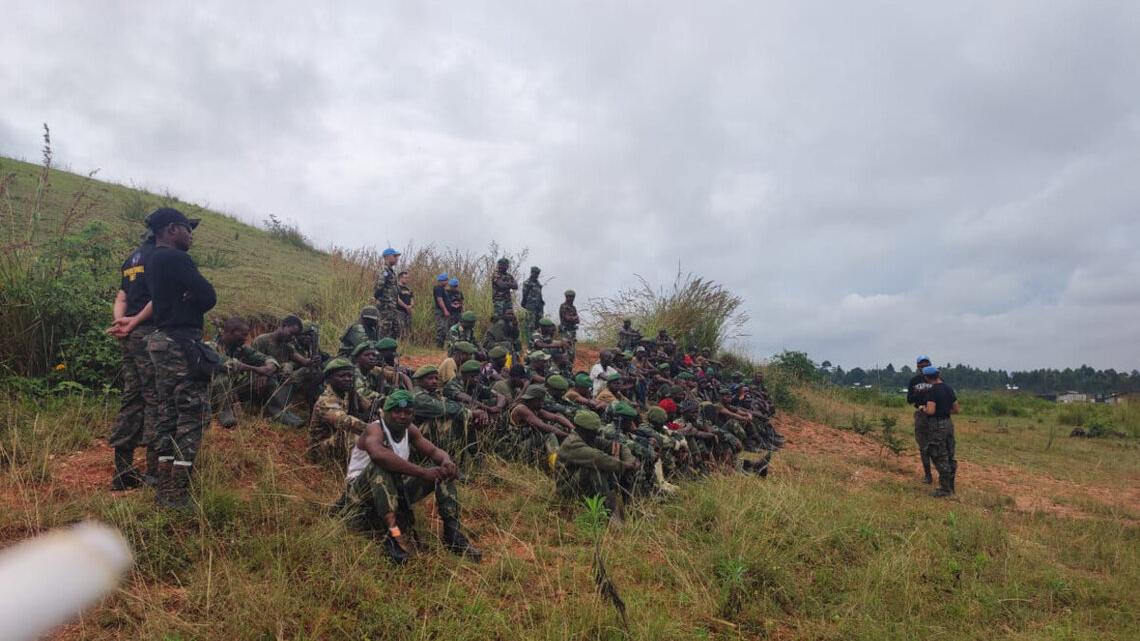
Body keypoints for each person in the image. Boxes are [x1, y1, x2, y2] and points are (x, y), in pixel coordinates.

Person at [335, 390, 481, 564]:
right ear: (386, 412)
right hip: (360, 497)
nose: (402, 416)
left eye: (408, 412)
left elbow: (434, 451)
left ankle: (452, 534)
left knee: (441, 473)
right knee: (381, 466)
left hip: (390, 491)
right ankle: (393, 537)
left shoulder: (409, 430)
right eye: (397, 411)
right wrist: (422, 472)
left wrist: (447, 462)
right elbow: (378, 455)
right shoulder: (375, 429)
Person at [144, 207, 217, 509]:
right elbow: (209, 296)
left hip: (161, 342)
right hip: (181, 343)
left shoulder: (151, 259)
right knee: (191, 415)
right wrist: (194, 296)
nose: (191, 235)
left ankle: (163, 488)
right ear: (172, 229)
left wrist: (191, 295)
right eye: (188, 229)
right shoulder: (177, 258)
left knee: (168, 414)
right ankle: (177, 494)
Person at [107, 222, 158, 490]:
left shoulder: (131, 260)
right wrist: (136, 321)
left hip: (129, 335)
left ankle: (122, 472)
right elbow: (160, 297)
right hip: (150, 334)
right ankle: (154, 473)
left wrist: (121, 322)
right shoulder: (161, 257)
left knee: (132, 397)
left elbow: (121, 297)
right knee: (155, 398)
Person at [209, 317, 305, 429]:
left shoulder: (240, 348)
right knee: (222, 377)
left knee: (269, 379)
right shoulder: (210, 346)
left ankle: (277, 413)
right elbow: (229, 364)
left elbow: (263, 357)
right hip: (211, 393)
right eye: (243, 335)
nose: (246, 338)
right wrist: (257, 369)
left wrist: (269, 366)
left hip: (232, 390)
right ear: (231, 332)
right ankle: (224, 412)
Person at [554, 410, 638, 520]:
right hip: (566, 490)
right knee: (595, 469)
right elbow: (598, 458)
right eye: (593, 432)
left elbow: (620, 446)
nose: (596, 434)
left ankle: (624, 509)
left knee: (609, 468)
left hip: (578, 486)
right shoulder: (572, 443)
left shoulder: (588, 438)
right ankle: (610, 514)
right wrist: (624, 466)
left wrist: (630, 460)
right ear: (581, 429)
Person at [306, 357, 375, 470]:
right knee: (351, 434)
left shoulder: (346, 392)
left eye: (350, 376)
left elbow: (369, 405)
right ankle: (358, 472)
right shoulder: (326, 401)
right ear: (329, 379)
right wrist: (376, 430)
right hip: (319, 450)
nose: (348, 379)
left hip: (335, 440)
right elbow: (346, 421)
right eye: (342, 376)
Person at [252, 315, 319, 413]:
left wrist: (313, 360)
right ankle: (273, 409)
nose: (292, 337)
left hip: (280, 380)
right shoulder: (262, 340)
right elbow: (254, 363)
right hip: (262, 377)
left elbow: (304, 361)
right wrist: (263, 375)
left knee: (309, 371)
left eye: (294, 335)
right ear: (283, 326)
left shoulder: (287, 346)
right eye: (291, 333)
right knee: (285, 368)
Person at [506, 385, 570, 468]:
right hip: (513, 449)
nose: (542, 403)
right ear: (534, 400)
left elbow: (556, 417)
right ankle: (556, 467)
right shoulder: (522, 409)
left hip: (523, 444)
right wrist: (567, 436)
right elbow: (542, 426)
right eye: (541, 401)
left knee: (557, 426)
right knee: (549, 436)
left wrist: (573, 429)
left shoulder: (532, 408)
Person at [921, 366, 959, 497]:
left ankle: (945, 489)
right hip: (948, 423)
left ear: (927, 377)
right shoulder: (948, 388)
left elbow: (931, 411)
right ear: (938, 375)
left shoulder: (932, 391)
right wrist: (944, 411)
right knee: (949, 454)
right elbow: (956, 409)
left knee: (938, 454)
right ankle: (951, 486)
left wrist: (923, 409)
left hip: (937, 425)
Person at [907, 355, 935, 484]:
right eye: (921, 365)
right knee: (923, 446)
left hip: (935, 414)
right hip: (921, 414)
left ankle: (944, 474)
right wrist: (917, 393)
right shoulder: (914, 381)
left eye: (926, 365)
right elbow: (909, 400)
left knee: (937, 445)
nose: (924, 367)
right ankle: (928, 475)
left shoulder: (936, 379)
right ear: (918, 367)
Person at [372, 247, 402, 338]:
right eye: (394, 256)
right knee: (384, 329)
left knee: (395, 329)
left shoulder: (391, 271)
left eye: (397, 256)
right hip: (385, 306)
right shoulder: (384, 271)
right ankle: (381, 346)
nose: (396, 258)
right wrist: (379, 300)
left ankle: (390, 347)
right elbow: (379, 287)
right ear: (387, 257)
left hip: (392, 306)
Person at [558, 290, 580, 365]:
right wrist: (573, 318)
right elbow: (567, 318)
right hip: (565, 332)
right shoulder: (563, 306)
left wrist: (573, 318)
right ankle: (565, 368)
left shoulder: (573, 307)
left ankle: (570, 367)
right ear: (566, 297)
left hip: (572, 332)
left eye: (572, 297)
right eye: (569, 297)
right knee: (566, 350)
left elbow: (578, 320)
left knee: (572, 352)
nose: (571, 298)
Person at [520, 266, 544, 332]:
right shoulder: (527, 283)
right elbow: (524, 295)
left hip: (539, 307)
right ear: (531, 272)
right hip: (530, 307)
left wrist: (541, 305)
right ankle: (529, 338)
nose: (536, 275)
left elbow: (540, 295)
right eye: (535, 273)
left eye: (537, 273)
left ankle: (537, 338)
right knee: (530, 325)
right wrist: (524, 304)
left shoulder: (538, 283)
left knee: (539, 325)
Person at [432, 273, 452, 348]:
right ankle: (438, 346)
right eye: (446, 280)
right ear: (441, 281)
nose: (447, 282)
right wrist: (445, 310)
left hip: (444, 312)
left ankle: (442, 345)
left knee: (445, 328)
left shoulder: (443, 289)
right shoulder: (438, 288)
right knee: (441, 328)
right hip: (440, 311)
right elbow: (439, 300)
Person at [396, 270, 414, 338]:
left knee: (408, 328)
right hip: (399, 311)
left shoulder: (408, 289)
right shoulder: (396, 287)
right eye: (405, 278)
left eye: (408, 278)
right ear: (400, 278)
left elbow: (412, 298)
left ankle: (407, 342)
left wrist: (411, 306)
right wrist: (406, 306)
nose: (407, 279)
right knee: (400, 328)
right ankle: (400, 342)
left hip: (408, 312)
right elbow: (397, 299)